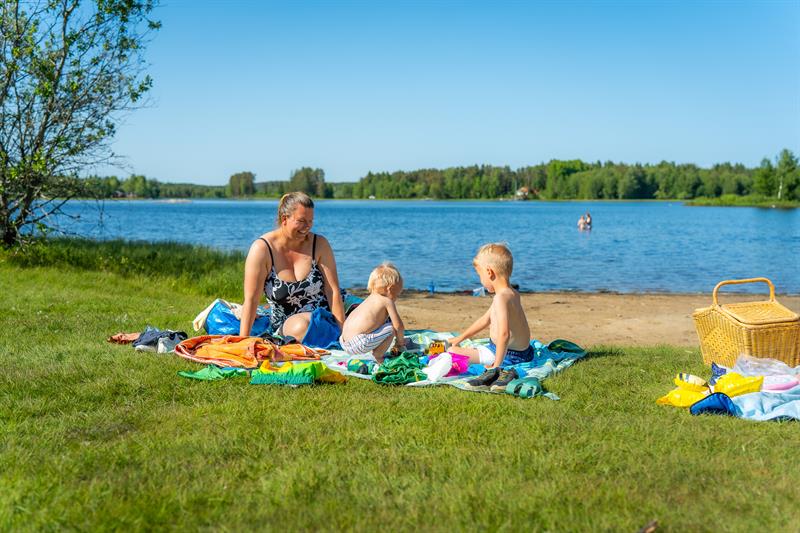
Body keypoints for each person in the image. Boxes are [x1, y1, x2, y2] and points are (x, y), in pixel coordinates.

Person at [239, 192, 345, 344]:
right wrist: (242, 341)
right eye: (301, 221)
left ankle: (338, 334)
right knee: (303, 326)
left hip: (326, 316)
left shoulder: (319, 244)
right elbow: (251, 299)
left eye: (311, 221)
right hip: (289, 324)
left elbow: (332, 290)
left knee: (378, 309)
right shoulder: (262, 249)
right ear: (284, 219)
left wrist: (344, 332)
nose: (307, 227)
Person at [448, 243, 533, 390]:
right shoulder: (511, 293)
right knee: (460, 347)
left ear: (489, 272)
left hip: (506, 356)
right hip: (524, 353)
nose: (480, 280)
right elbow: (485, 320)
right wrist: (460, 338)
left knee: (451, 352)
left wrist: (496, 366)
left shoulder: (500, 298)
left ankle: (501, 368)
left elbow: (504, 334)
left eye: (480, 275)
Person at [339, 262, 405, 362]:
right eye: (398, 295)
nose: (396, 298)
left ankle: (373, 351)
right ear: (390, 289)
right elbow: (398, 326)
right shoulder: (387, 301)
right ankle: (378, 356)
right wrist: (400, 343)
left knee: (382, 328)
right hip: (358, 344)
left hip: (344, 342)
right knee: (391, 329)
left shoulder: (368, 300)